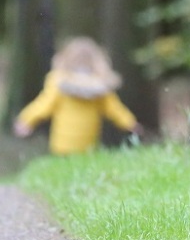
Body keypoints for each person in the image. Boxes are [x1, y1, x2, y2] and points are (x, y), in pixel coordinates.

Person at [13, 37, 143, 155]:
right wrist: (130, 123)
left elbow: (44, 104)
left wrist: (26, 120)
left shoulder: (58, 81)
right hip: (88, 145)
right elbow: (114, 109)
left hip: (62, 144)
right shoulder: (100, 85)